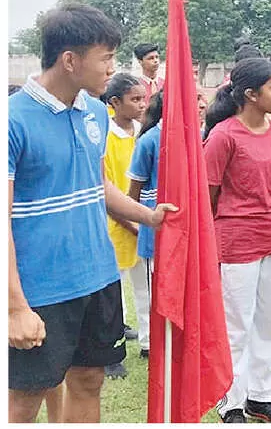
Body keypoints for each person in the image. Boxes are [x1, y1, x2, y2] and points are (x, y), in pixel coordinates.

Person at [9, 3, 176, 423]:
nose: (112, 69)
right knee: (25, 399)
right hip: (41, 289)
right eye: (105, 58)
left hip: (98, 278)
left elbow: (96, 183)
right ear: (70, 60)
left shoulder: (95, 113)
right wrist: (14, 307)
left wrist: (147, 215)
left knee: (88, 382)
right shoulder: (12, 121)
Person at [204, 58, 271, 424]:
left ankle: (261, 397)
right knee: (235, 325)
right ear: (250, 95)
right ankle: (230, 401)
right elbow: (207, 197)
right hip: (237, 240)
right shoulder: (223, 136)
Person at [100, 74, 148, 380]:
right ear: (115, 103)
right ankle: (112, 350)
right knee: (112, 291)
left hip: (141, 221)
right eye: (135, 99)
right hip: (114, 223)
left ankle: (149, 341)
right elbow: (105, 187)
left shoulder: (142, 132)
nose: (142, 105)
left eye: (144, 99)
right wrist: (129, 220)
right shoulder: (104, 134)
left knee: (145, 285)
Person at [127, 91, 165, 360]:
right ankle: (149, 342)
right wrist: (140, 221)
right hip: (154, 227)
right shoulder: (150, 141)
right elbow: (134, 193)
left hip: (182, 227)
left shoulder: (196, 137)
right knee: (152, 288)